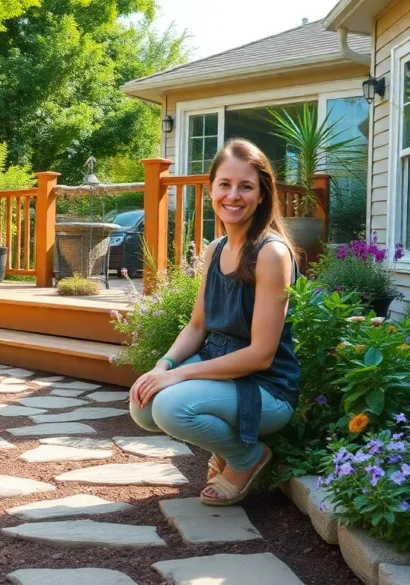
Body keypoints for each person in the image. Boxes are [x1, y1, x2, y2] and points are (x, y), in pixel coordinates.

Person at [128, 138, 300, 506]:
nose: (233, 196)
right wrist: (163, 365)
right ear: (211, 191)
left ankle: (247, 458)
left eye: (246, 186)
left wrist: (177, 376)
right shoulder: (216, 249)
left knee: (171, 407)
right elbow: (196, 326)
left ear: (261, 194)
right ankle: (228, 447)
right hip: (219, 370)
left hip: (266, 388)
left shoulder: (271, 254)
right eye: (225, 184)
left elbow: (261, 355)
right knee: (143, 404)